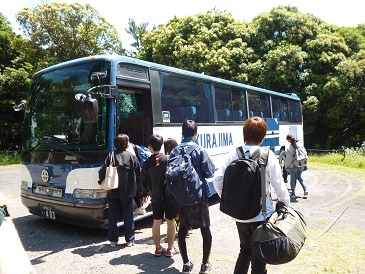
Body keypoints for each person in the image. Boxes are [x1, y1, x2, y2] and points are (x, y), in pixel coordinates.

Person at [213, 116, 290, 274]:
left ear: (244, 134)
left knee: (245, 250)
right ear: (263, 136)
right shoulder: (267, 156)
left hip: (239, 216)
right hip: (261, 216)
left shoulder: (233, 154)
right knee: (259, 257)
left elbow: (217, 180)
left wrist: (229, 200)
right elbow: (279, 186)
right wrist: (285, 205)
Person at [170, 120, 215, 274]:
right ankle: (205, 264)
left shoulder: (174, 151)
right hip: (198, 195)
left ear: (182, 133)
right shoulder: (200, 150)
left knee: (182, 229)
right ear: (196, 133)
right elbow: (209, 172)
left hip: (180, 197)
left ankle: (186, 264)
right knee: (205, 229)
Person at [98, 134, 141, 247]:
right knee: (128, 215)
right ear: (126, 143)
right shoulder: (132, 156)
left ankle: (113, 240)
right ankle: (130, 240)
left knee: (113, 216)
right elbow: (138, 173)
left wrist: (100, 181)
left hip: (113, 191)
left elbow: (103, 171)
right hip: (127, 191)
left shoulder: (111, 155)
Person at [140, 134, 179, 257]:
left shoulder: (146, 163)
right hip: (169, 195)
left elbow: (143, 180)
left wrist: (144, 193)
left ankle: (157, 248)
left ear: (150, 147)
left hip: (155, 196)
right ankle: (170, 249)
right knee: (170, 221)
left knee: (156, 221)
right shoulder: (168, 159)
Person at [284, 134, 308, 199]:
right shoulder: (300, 145)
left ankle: (293, 194)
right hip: (301, 164)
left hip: (293, 165)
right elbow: (305, 154)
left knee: (292, 179)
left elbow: (288, 159)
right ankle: (305, 189)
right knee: (299, 176)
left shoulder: (289, 147)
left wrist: (286, 166)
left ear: (289, 140)